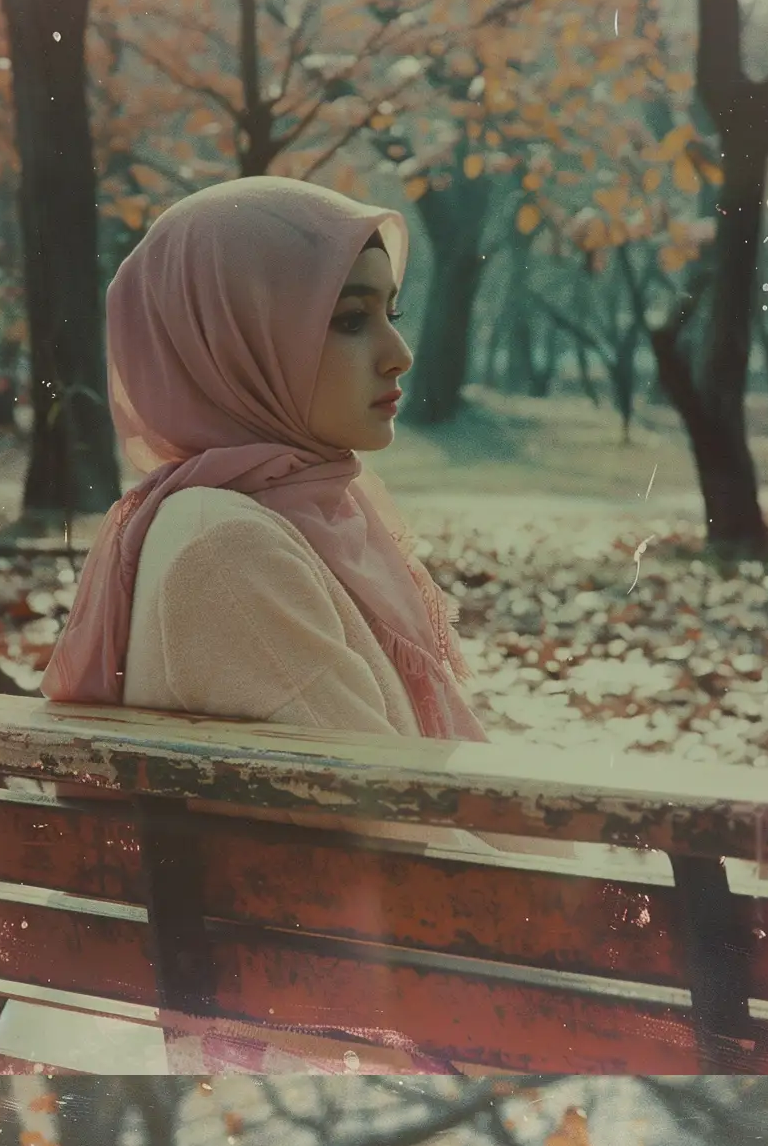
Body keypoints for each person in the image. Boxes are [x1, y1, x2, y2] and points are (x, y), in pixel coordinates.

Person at [43, 175, 485, 743]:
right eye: (350, 320)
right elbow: (385, 819)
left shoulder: (299, 515)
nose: (399, 357)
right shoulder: (225, 548)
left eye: (390, 316)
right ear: (233, 343)